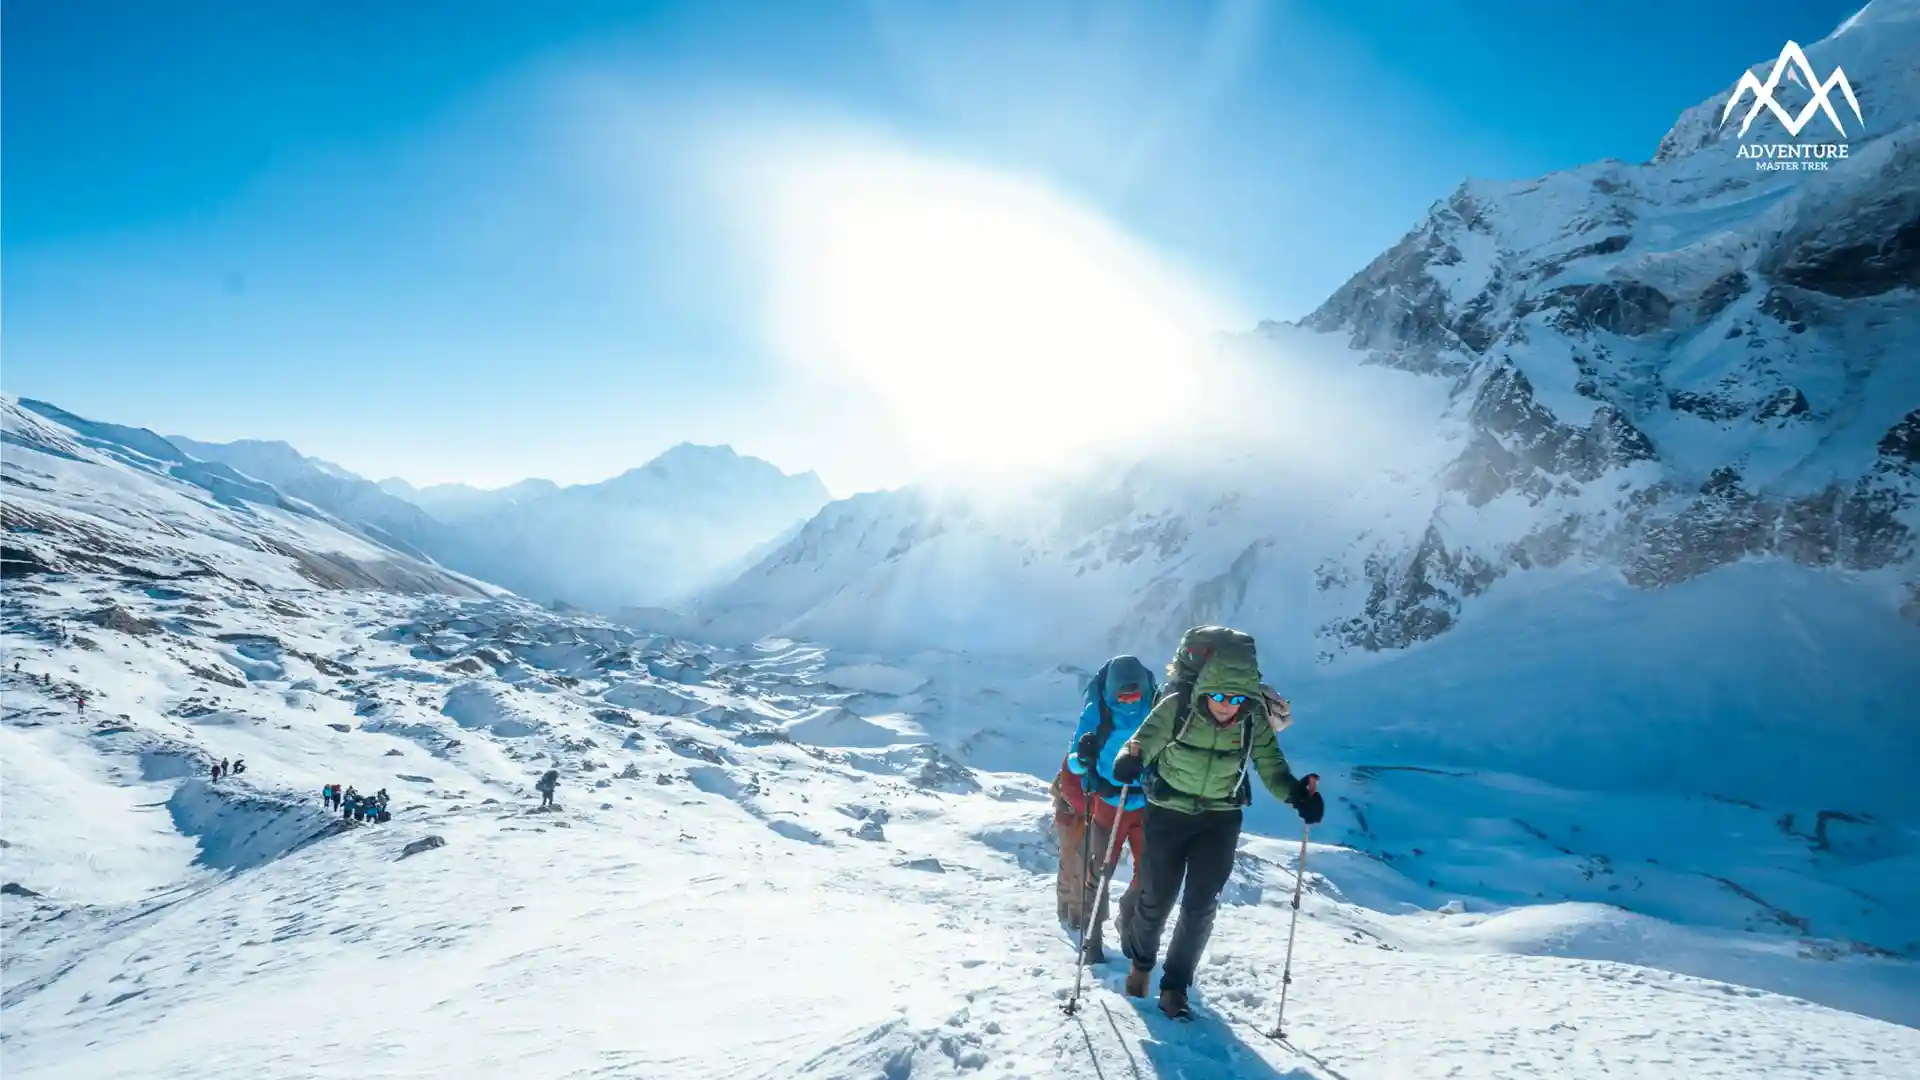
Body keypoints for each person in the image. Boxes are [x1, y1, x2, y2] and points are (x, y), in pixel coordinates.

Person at [1110, 629, 1325, 1020]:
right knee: (1156, 898)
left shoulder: (1252, 720)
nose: (1228, 706)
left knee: (1200, 905)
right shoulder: (1177, 707)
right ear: (1206, 688)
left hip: (1220, 818)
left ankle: (1175, 987)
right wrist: (1130, 760)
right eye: (1221, 696)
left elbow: (1271, 766)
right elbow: (1142, 741)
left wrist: (1298, 795)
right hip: (1167, 810)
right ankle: (1141, 965)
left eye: (1237, 698)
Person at [1060, 655, 1157, 964]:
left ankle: (1129, 920)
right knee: (1099, 872)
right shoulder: (1097, 713)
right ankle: (1093, 939)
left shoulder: (1157, 708)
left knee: (1149, 875)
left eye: (1134, 695)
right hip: (1108, 803)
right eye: (1123, 695)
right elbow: (1075, 762)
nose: (1129, 701)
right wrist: (1084, 757)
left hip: (1146, 804)